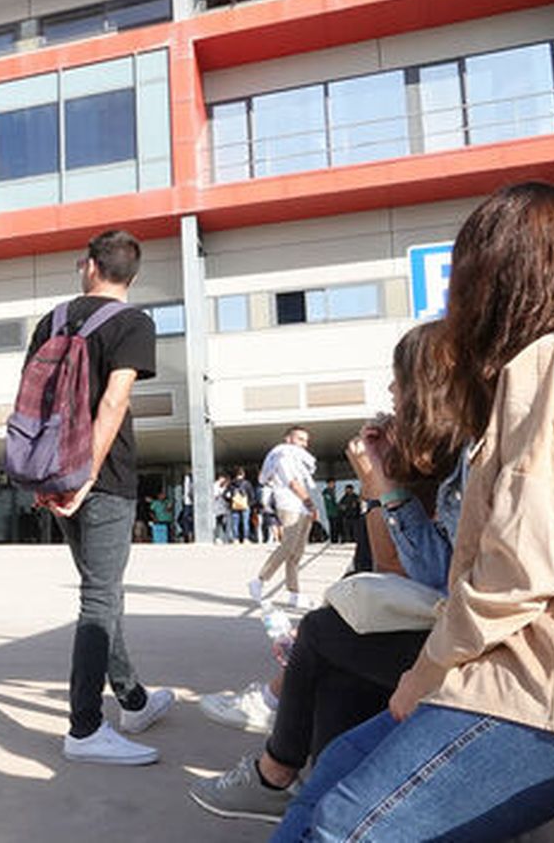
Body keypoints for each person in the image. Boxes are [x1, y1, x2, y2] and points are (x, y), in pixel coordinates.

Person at [277, 183, 554, 840]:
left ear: (494, 276)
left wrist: (423, 673)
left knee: (347, 824)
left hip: (545, 690)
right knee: (340, 762)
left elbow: (521, 568)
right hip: (523, 674)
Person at [191, 322, 467, 824]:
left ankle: (278, 770)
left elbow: (413, 575)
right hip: (435, 629)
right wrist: (379, 488)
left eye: (397, 381)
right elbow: (369, 576)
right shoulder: (427, 464)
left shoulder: (460, 465)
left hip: (466, 647)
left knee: (322, 636)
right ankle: (310, 796)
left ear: (428, 391)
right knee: (329, 658)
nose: (389, 393)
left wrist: (379, 484)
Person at [22, 229, 174, 766]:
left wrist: (52, 475)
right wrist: (87, 475)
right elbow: (113, 404)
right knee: (101, 596)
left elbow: (32, 400)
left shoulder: (54, 319)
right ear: (130, 277)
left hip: (56, 471)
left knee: (101, 590)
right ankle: (85, 728)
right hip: (103, 477)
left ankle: (132, 699)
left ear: (88, 265)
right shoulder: (134, 322)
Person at [251, 427, 318, 608]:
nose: (304, 444)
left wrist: (309, 506)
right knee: (288, 546)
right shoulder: (283, 455)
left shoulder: (297, 457)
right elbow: (293, 483)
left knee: (296, 553)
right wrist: (310, 503)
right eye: (300, 439)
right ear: (288, 439)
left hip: (302, 508)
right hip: (290, 505)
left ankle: (294, 594)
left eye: (306, 440)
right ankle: (259, 580)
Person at [338, 484, 368, 571]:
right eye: (347, 489)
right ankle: (348, 540)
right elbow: (340, 505)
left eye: (349, 489)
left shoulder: (355, 497)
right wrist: (343, 509)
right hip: (347, 517)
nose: (348, 491)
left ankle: (354, 540)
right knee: (347, 530)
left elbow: (359, 506)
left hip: (355, 517)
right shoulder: (344, 497)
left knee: (355, 531)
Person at [226, 468, 254, 544]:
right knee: (245, 522)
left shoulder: (231, 484)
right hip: (245, 505)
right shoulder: (247, 484)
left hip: (234, 506)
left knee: (235, 522)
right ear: (243, 474)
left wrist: (230, 502)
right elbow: (251, 495)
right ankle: (245, 538)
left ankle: (236, 539)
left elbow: (225, 495)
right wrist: (250, 504)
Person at [213, 474, 231, 544]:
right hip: (218, 507)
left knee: (225, 522)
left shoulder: (226, 486)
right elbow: (215, 495)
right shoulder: (215, 485)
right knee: (218, 522)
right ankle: (218, 537)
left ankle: (225, 537)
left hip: (224, 507)